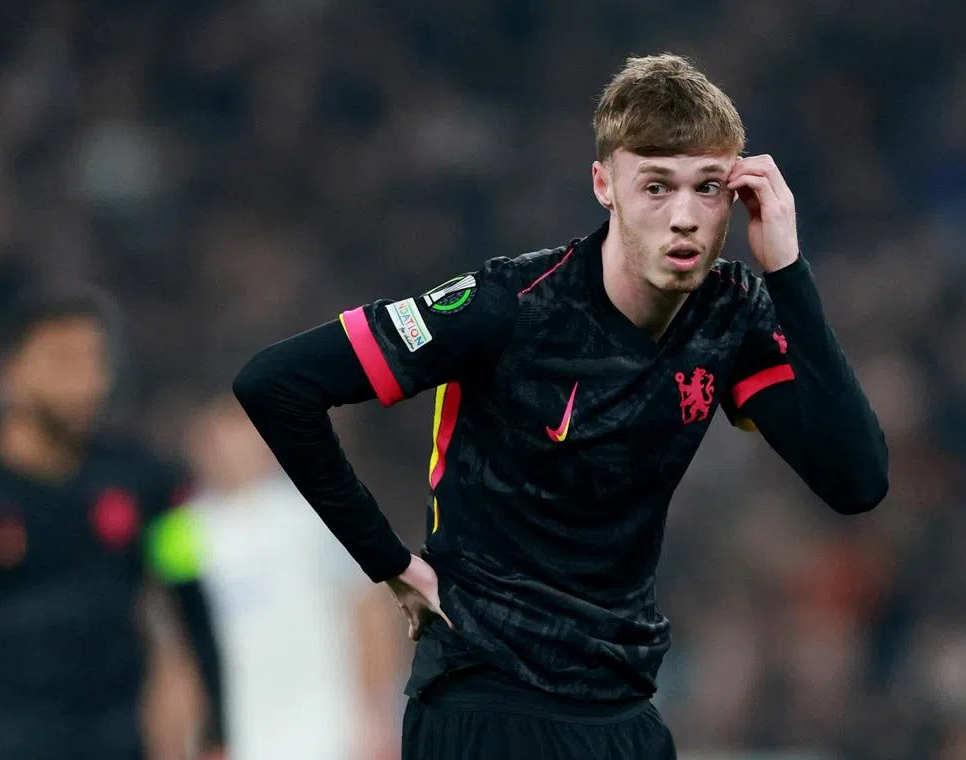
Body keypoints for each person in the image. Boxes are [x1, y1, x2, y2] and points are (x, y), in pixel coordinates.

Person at [232, 53, 889, 759]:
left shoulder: (730, 312)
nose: (684, 218)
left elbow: (856, 482)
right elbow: (276, 383)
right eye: (656, 186)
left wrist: (787, 271)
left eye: (707, 188)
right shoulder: (509, 305)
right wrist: (387, 560)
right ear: (605, 184)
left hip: (622, 710)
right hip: (488, 703)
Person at [0, 285, 226, 760]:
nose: (87, 383)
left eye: (96, 361)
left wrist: (217, 731)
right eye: (63, 362)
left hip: (117, 738)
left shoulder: (152, 485)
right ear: (9, 374)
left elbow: (192, 598)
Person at [159, 393, 402, 760]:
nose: (231, 448)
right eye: (219, 433)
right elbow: (177, 649)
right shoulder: (178, 534)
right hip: (235, 739)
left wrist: (379, 714)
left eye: (242, 432)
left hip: (329, 732)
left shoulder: (316, 513)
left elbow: (368, 611)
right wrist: (181, 741)